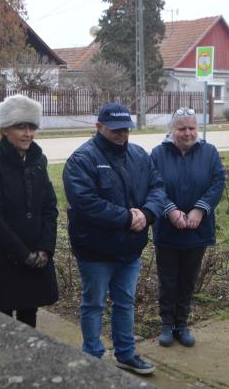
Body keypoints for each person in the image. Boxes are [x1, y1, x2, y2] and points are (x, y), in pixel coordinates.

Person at [62, 102, 168, 375]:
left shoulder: (139, 155)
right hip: (95, 249)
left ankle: (125, 353)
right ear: (99, 127)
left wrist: (146, 213)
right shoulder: (82, 159)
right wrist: (127, 218)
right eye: (115, 130)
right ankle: (93, 357)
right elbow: (85, 203)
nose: (122, 135)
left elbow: (157, 188)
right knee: (94, 303)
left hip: (130, 248)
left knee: (125, 302)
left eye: (126, 130)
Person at [0, 94, 58, 328]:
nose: (28, 133)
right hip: (2, 259)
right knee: (1, 324)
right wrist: (23, 254)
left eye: (32, 127)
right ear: (6, 129)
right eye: (21, 127)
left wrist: (45, 249)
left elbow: (49, 207)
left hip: (35, 257)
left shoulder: (38, 160)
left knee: (29, 319)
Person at [150, 108, 226, 347]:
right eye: (182, 128)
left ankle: (182, 324)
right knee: (168, 279)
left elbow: (217, 183)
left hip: (197, 230)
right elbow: (154, 186)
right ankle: (166, 325)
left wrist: (200, 209)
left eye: (192, 128)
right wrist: (170, 210)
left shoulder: (209, 152)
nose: (187, 133)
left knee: (188, 280)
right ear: (172, 130)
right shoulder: (158, 154)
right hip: (167, 230)